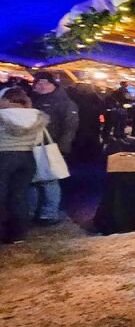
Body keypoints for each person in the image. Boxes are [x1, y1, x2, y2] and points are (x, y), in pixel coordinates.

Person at [29, 72, 78, 225]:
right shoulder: (32, 100)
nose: (41, 85)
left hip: (51, 146)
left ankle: (49, 213)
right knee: (32, 179)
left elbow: (70, 126)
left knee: (49, 180)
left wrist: (62, 147)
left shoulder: (64, 102)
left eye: (45, 82)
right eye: (38, 83)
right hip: (32, 145)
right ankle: (33, 211)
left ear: (53, 84)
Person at [0, 88, 48, 243]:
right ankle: (18, 234)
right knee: (19, 196)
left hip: (3, 156)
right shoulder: (36, 116)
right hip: (27, 157)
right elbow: (38, 140)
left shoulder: (2, 115)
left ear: (7, 99)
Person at [65, 82, 105, 162]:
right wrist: (101, 123)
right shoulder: (96, 99)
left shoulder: (73, 98)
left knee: (77, 146)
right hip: (93, 126)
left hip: (78, 126)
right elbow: (102, 113)